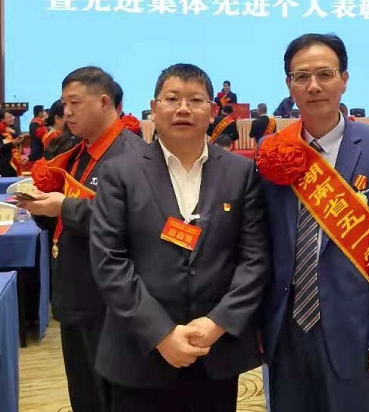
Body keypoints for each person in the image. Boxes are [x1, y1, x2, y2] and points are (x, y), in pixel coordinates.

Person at [89, 63, 268, 412]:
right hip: (139, 352)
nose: (183, 108)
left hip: (214, 351)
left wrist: (218, 323)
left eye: (195, 100)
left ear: (212, 112)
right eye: (172, 99)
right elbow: (109, 260)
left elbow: (254, 259)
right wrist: (161, 333)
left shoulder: (241, 172)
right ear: (154, 108)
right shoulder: (120, 172)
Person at [258, 33, 369, 412]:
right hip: (285, 328)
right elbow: (262, 242)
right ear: (289, 85)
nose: (313, 86)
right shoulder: (273, 151)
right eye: (302, 77)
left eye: (324, 74)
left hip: (357, 330)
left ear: (344, 79)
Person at [17, 66, 145, 412]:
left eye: (75, 103)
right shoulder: (78, 151)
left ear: (104, 102)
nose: (67, 112)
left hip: (110, 302)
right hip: (76, 292)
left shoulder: (134, 155)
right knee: (84, 393)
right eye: (64, 104)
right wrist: (42, 207)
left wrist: (63, 207)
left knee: (113, 396)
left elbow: (132, 221)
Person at [0, 110, 26, 177]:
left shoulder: (14, 128)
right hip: (5, 161)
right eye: (9, 117)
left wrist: (15, 134)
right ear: (2, 120)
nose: (12, 119)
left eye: (12, 116)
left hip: (16, 159)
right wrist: (13, 143)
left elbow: (20, 139)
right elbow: (0, 146)